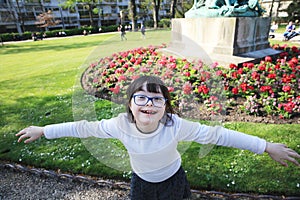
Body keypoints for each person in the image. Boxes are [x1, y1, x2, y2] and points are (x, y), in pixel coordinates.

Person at [16, 76, 300, 200]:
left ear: (166, 106)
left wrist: (265, 146)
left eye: (156, 99)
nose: (148, 104)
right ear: (130, 104)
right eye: (141, 97)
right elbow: (83, 127)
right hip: (141, 183)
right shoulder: (118, 125)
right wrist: (44, 130)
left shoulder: (176, 125)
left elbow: (219, 135)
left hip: (174, 181)